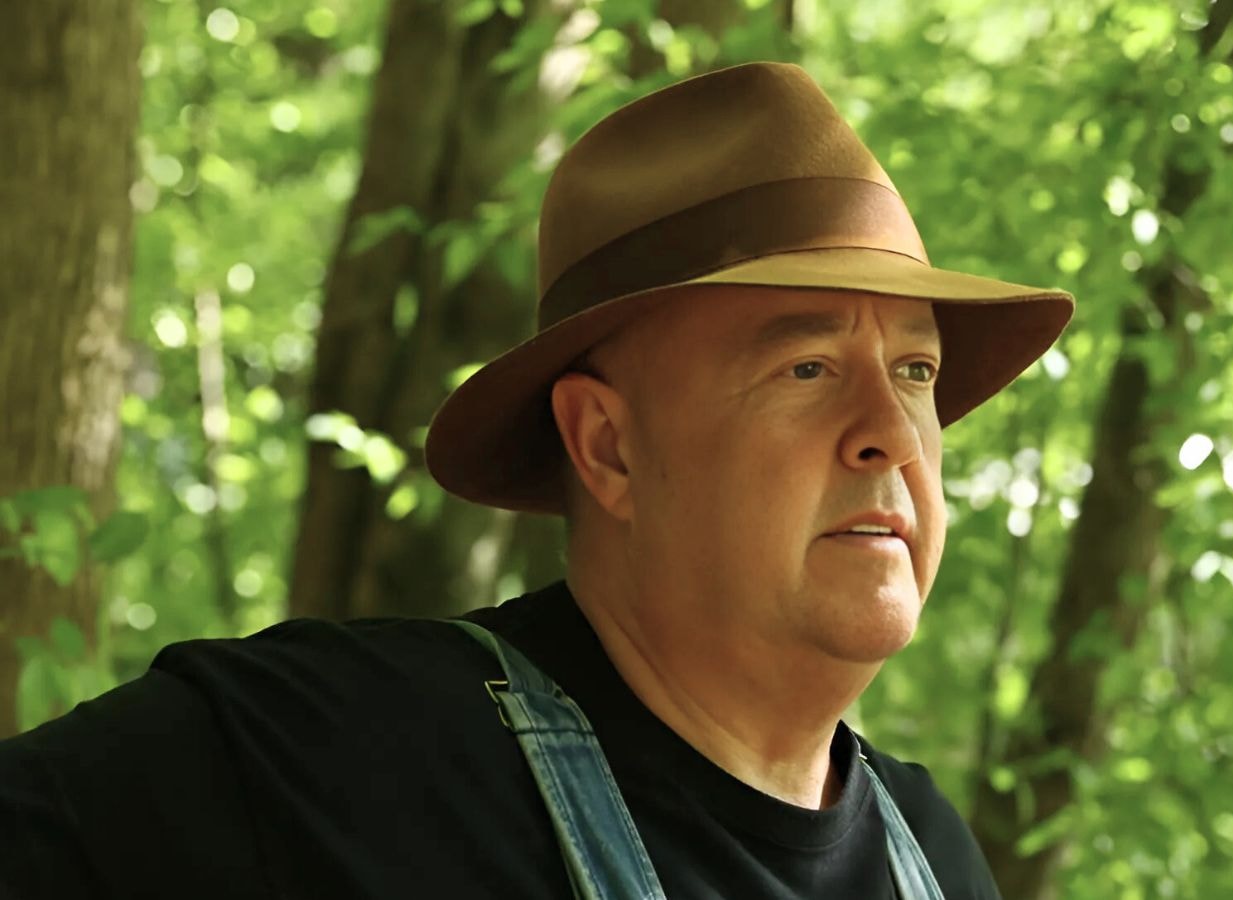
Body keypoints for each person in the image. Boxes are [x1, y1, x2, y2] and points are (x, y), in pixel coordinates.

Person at [0, 61, 1075, 898]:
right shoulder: (337, 752)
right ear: (606, 446)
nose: (890, 432)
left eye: (916, 370)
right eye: (806, 367)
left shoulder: (926, 850)